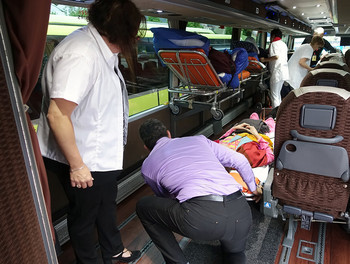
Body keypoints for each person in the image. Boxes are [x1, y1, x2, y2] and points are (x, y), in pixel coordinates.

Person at [36, 0, 146, 263]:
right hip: (83, 158)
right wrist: (77, 166)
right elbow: (57, 114)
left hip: (99, 156)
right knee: (84, 218)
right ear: (122, 30)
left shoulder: (102, 49)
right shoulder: (82, 54)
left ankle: (114, 251)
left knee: (105, 206)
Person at [137, 119, 262, 264]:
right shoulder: (199, 140)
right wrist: (254, 189)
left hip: (201, 219)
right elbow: (240, 160)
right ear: (168, 134)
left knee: (143, 206)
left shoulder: (147, 166)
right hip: (241, 213)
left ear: (146, 147)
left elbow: (165, 198)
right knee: (234, 253)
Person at [260, 28, 289, 108]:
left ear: (273, 36)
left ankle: (275, 116)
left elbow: (276, 56)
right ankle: (279, 113)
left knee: (274, 95)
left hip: (277, 72)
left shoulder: (274, 44)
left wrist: (265, 59)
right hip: (283, 72)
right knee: (277, 94)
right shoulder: (283, 44)